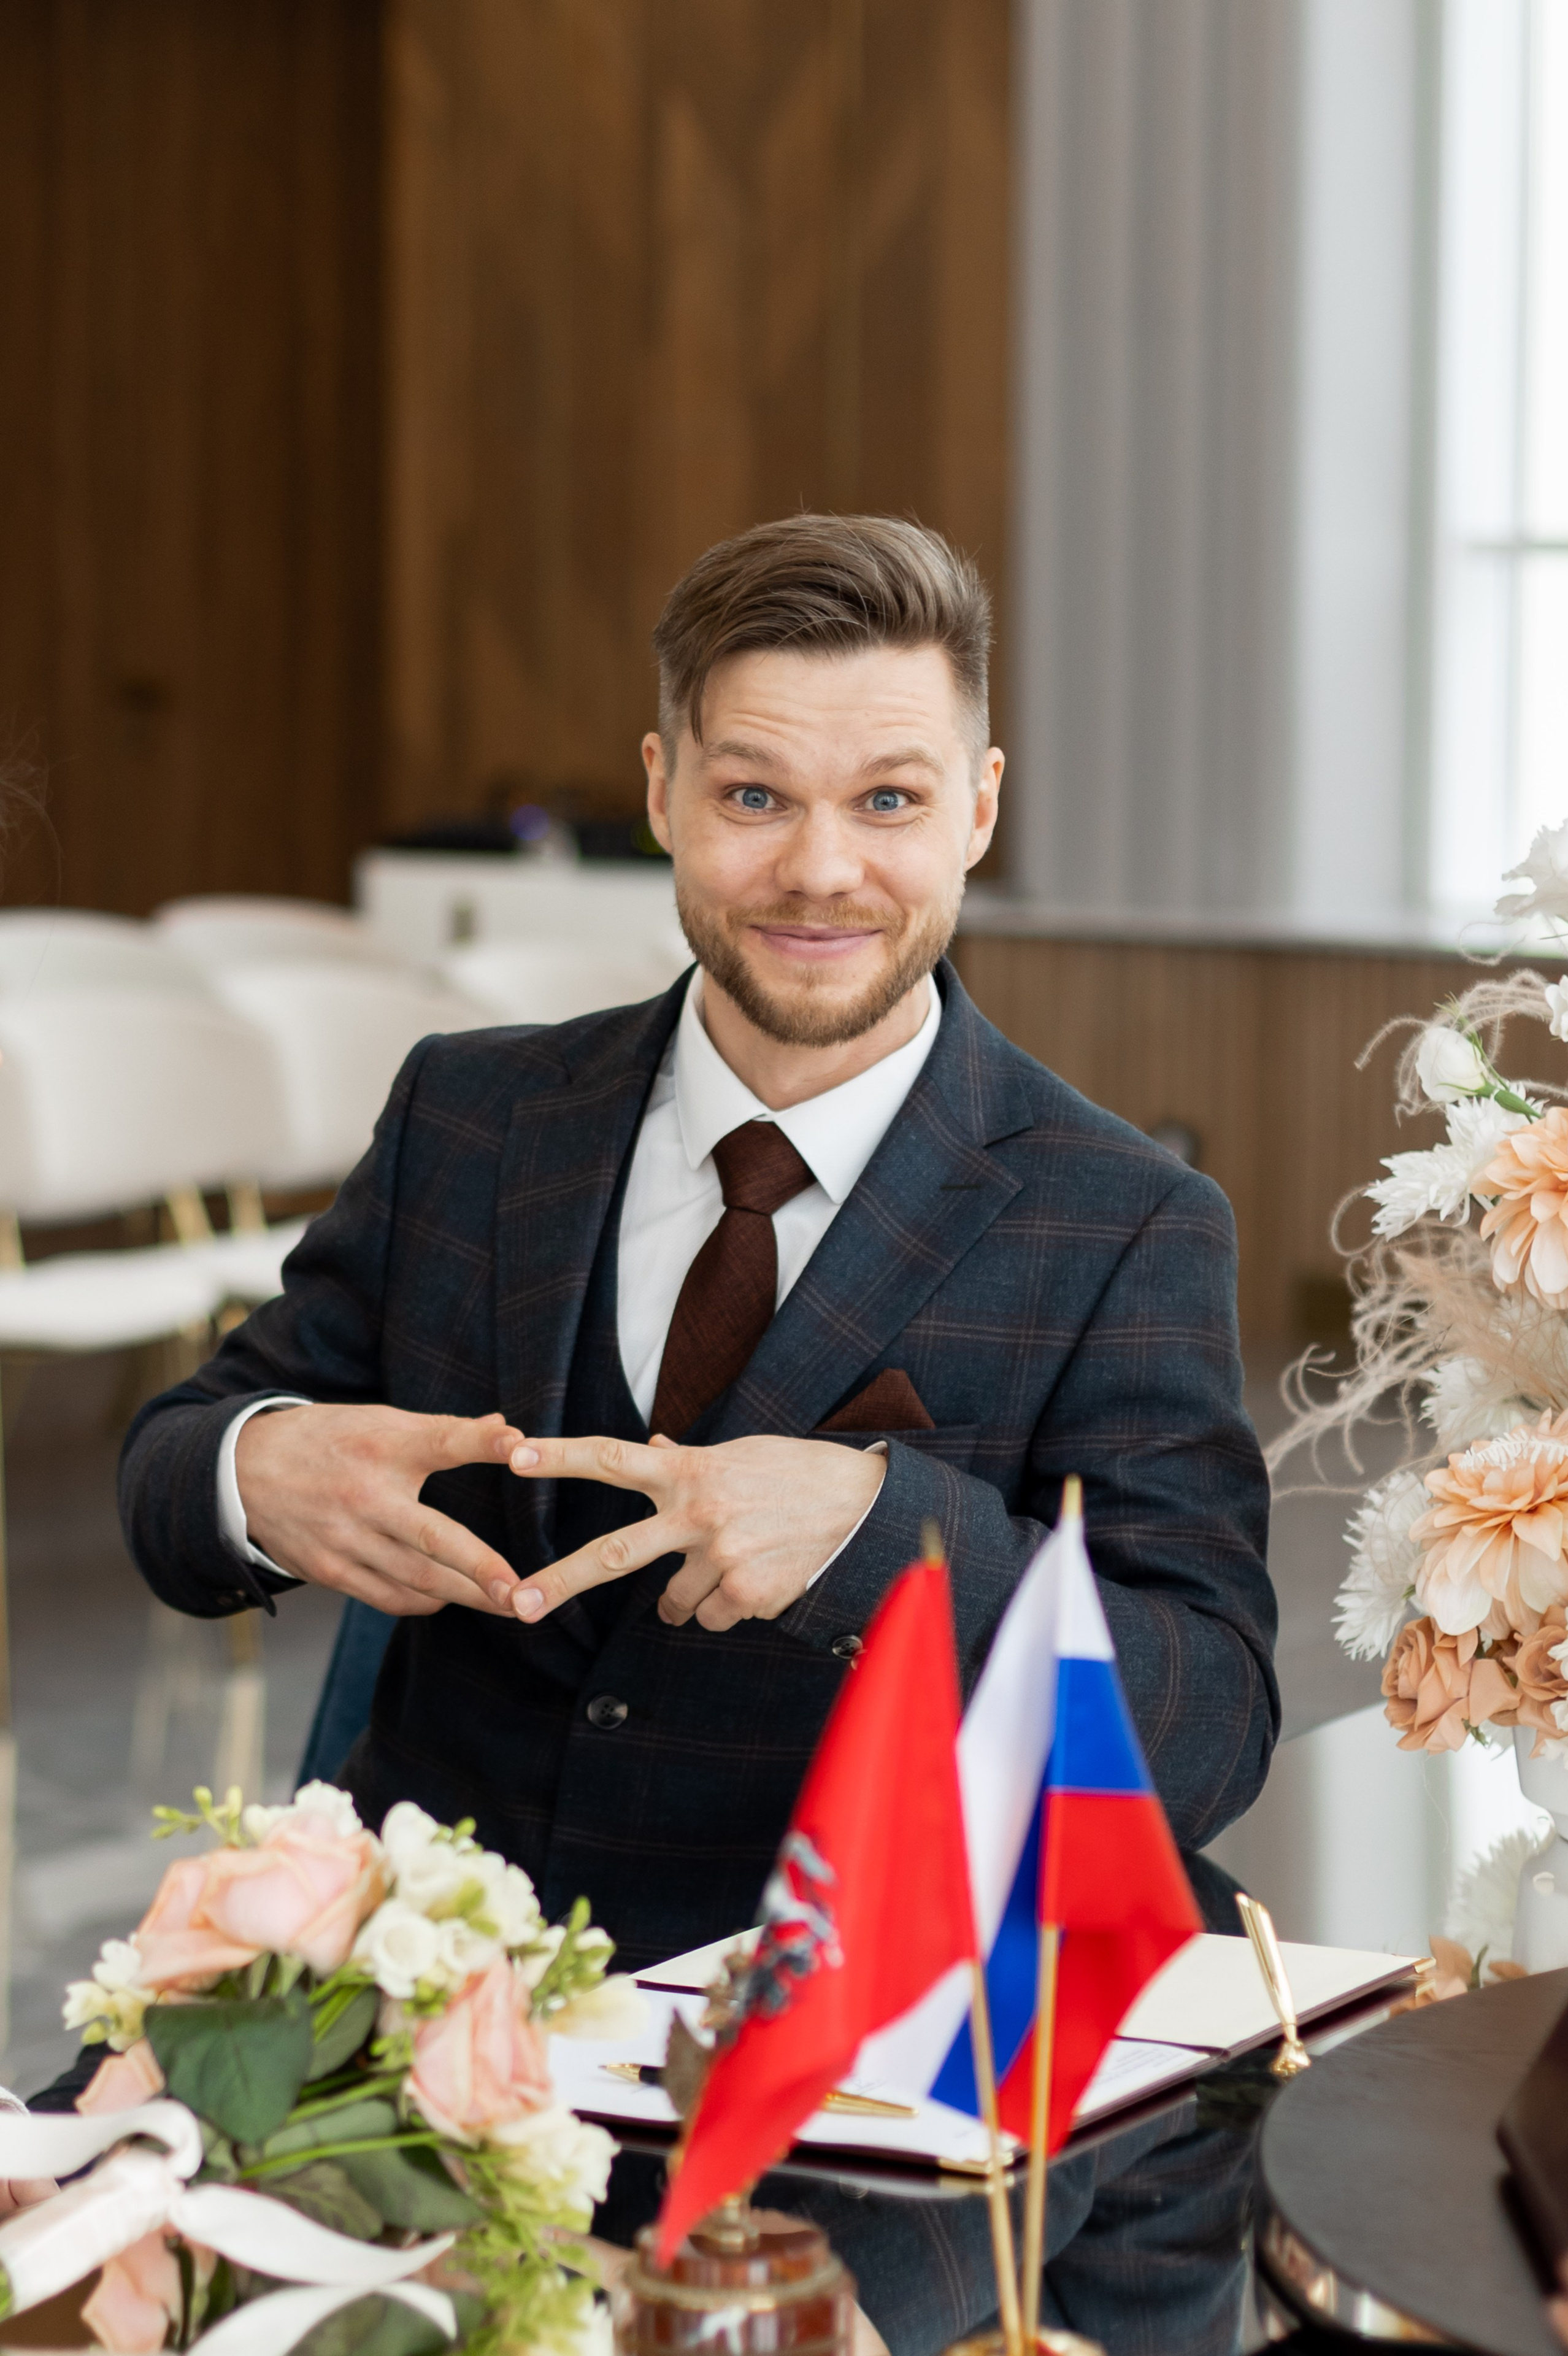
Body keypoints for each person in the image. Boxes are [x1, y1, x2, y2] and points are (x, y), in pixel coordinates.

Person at [119, 514, 1277, 2352]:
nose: (822, 871)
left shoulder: (1124, 1216)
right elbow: (174, 1466)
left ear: (979, 806)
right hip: (434, 2024)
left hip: (857, 2071)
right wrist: (259, 1466)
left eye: (889, 801)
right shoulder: (472, 1116)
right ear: (661, 791)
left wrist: (891, 1542)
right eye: (755, 794)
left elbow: (1208, 1717)